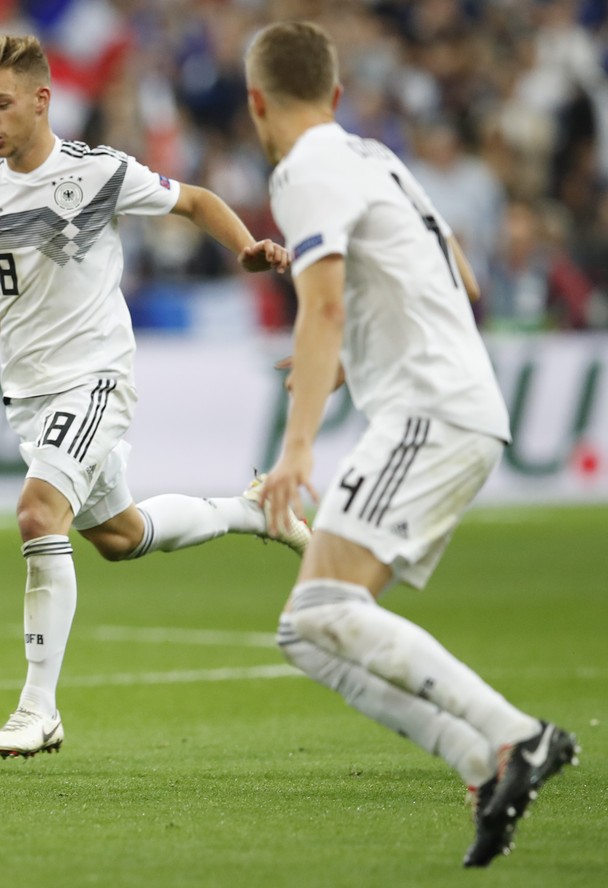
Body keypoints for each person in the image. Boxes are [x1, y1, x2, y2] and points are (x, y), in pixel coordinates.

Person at [244, 21, 578, 868]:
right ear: (339, 95)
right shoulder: (373, 157)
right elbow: (460, 276)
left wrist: (299, 449)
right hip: (449, 404)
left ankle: (517, 736)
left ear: (255, 103)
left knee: (326, 609)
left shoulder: (304, 171)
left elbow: (320, 305)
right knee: (304, 629)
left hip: (429, 413)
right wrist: (363, 356)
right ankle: (482, 763)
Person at [0, 34, 303, 759]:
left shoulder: (95, 173)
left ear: (41, 100)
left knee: (38, 512)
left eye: (1, 104)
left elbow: (192, 200)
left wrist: (246, 245)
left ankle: (38, 709)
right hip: (30, 393)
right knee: (119, 537)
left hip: (95, 376)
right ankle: (250, 511)